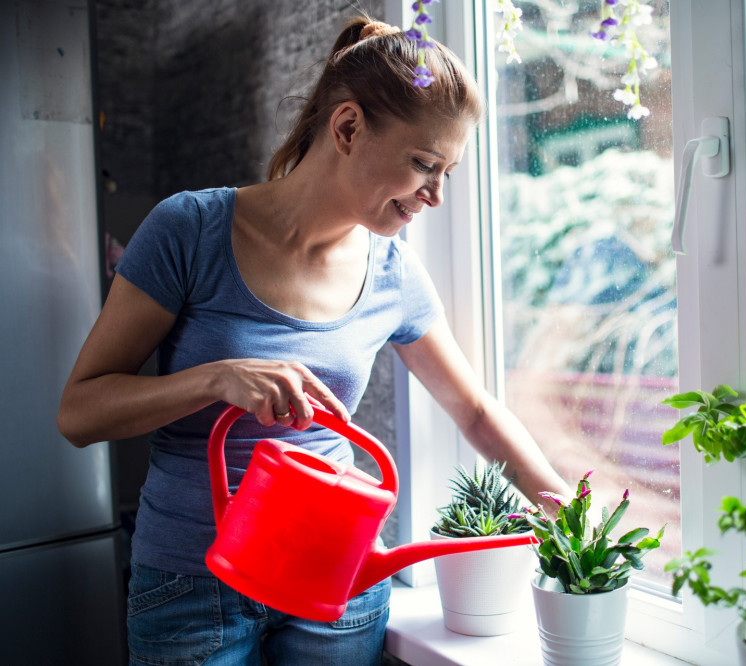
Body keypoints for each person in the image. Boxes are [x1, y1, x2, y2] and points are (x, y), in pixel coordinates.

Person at [58, 16, 570, 665]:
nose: (436, 195)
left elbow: (472, 409)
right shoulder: (190, 230)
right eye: (423, 164)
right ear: (349, 128)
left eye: (449, 172)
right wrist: (215, 379)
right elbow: (79, 413)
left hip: (337, 590)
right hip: (192, 588)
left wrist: (566, 504)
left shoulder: (395, 273)